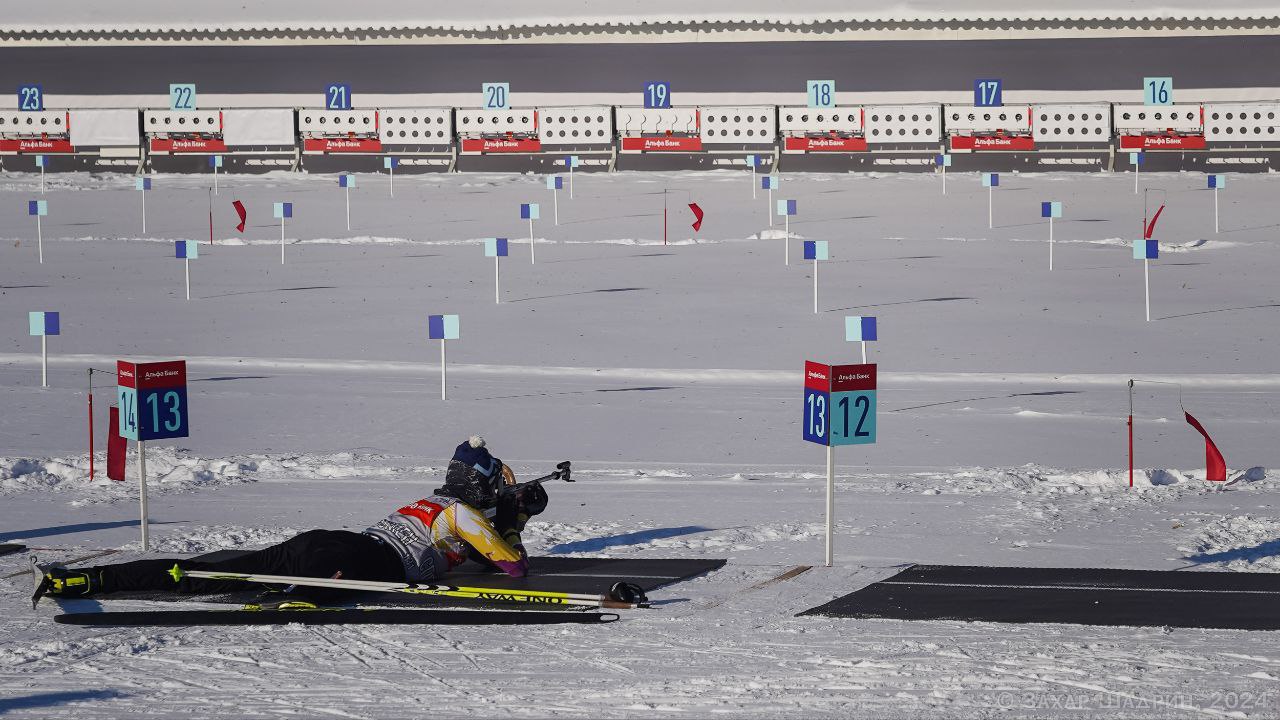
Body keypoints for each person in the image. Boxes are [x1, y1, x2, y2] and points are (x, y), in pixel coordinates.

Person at [35, 436, 550, 603]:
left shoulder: (429, 503)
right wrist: (515, 520)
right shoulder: (464, 515)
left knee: (214, 568)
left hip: (332, 540)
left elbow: (464, 549)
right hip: (362, 559)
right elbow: (511, 569)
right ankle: (297, 597)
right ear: (481, 485)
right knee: (300, 591)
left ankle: (88, 579)